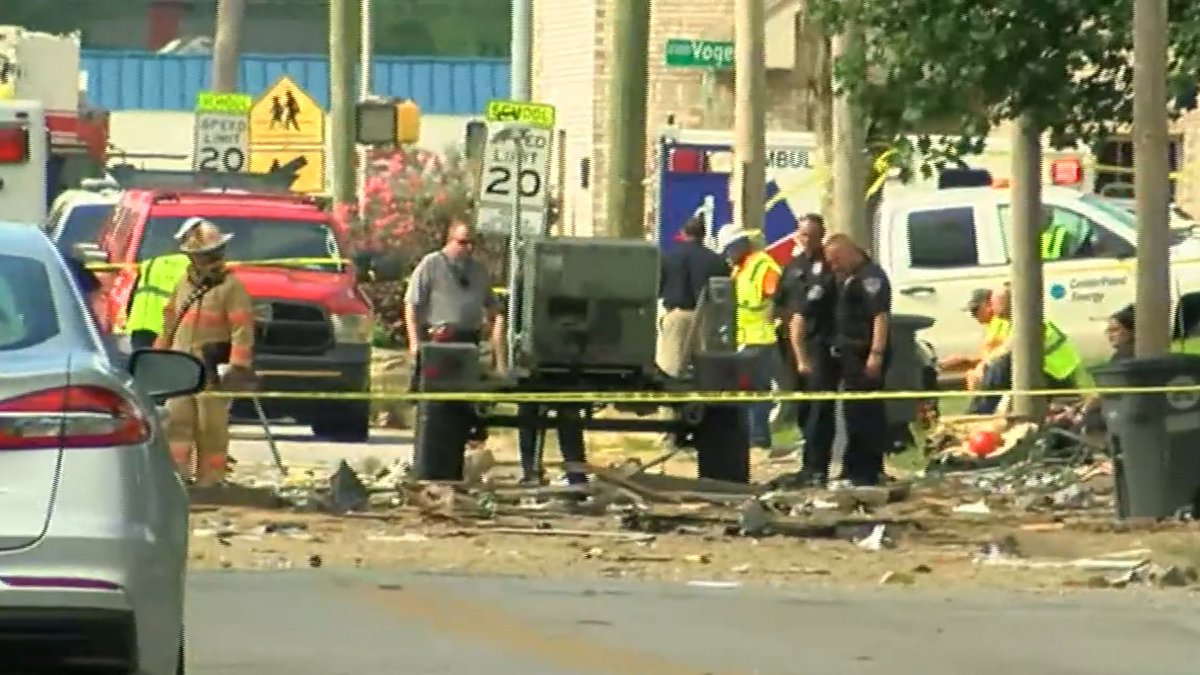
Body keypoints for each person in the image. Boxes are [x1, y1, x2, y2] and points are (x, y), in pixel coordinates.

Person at [154, 218, 256, 486]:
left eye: (213, 254)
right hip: (179, 367)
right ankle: (176, 477)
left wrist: (237, 367)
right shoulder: (184, 284)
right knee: (177, 422)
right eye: (202, 256)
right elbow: (169, 322)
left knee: (211, 427)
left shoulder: (231, 287)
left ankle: (211, 479)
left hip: (211, 369)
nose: (209, 261)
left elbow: (242, 329)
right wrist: (157, 360)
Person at [824, 233, 892, 487]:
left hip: (865, 356)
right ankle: (855, 466)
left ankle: (866, 470)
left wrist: (875, 355)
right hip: (851, 357)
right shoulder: (851, 277)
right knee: (854, 414)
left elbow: (880, 316)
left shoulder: (871, 277)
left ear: (847, 253)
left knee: (865, 414)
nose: (833, 266)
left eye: (835, 260)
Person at [778, 214, 838, 485]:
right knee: (802, 409)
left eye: (812, 236)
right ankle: (807, 465)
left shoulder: (828, 266)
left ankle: (818, 469)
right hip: (791, 345)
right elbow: (780, 302)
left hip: (818, 345)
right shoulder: (793, 266)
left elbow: (814, 307)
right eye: (803, 235)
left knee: (819, 410)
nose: (807, 241)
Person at [966, 283, 1085, 415]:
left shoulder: (1030, 321)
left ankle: (978, 413)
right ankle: (981, 411)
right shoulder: (1015, 320)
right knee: (999, 365)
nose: (992, 308)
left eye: (994, 303)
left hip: (1055, 374)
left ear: (1007, 303)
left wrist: (984, 366)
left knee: (1001, 365)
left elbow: (1011, 347)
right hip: (1043, 369)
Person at [716, 222, 783, 451]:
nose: (726, 256)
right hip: (743, 339)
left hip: (760, 338)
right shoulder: (739, 268)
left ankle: (759, 439)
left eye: (728, 250)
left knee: (757, 391)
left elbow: (778, 298)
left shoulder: (763, 265)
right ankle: (747, 437)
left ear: (739, 245)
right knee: (745, 392)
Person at [656, 215, 730, 377]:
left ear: (683, 233)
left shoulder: (668, 257)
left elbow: (658, 287)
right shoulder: (715, 260)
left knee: (671, 369)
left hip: (677, 315)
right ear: (704, 235)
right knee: (705, 368)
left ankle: (672, 399)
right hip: (705, 316)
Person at [938, 288, 1010, 390]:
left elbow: (1005, 355)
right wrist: (966, 361)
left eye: (975, 310)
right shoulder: (992, 326)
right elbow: (992, 356)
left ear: (989, 304)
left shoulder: (1002, 323)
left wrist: (981, 368)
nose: (973, 315)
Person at [124, 250, 191, 349]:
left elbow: (133, 297)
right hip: (171, 331)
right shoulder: (194, 267)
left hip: (139, 326)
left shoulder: (150, 263)